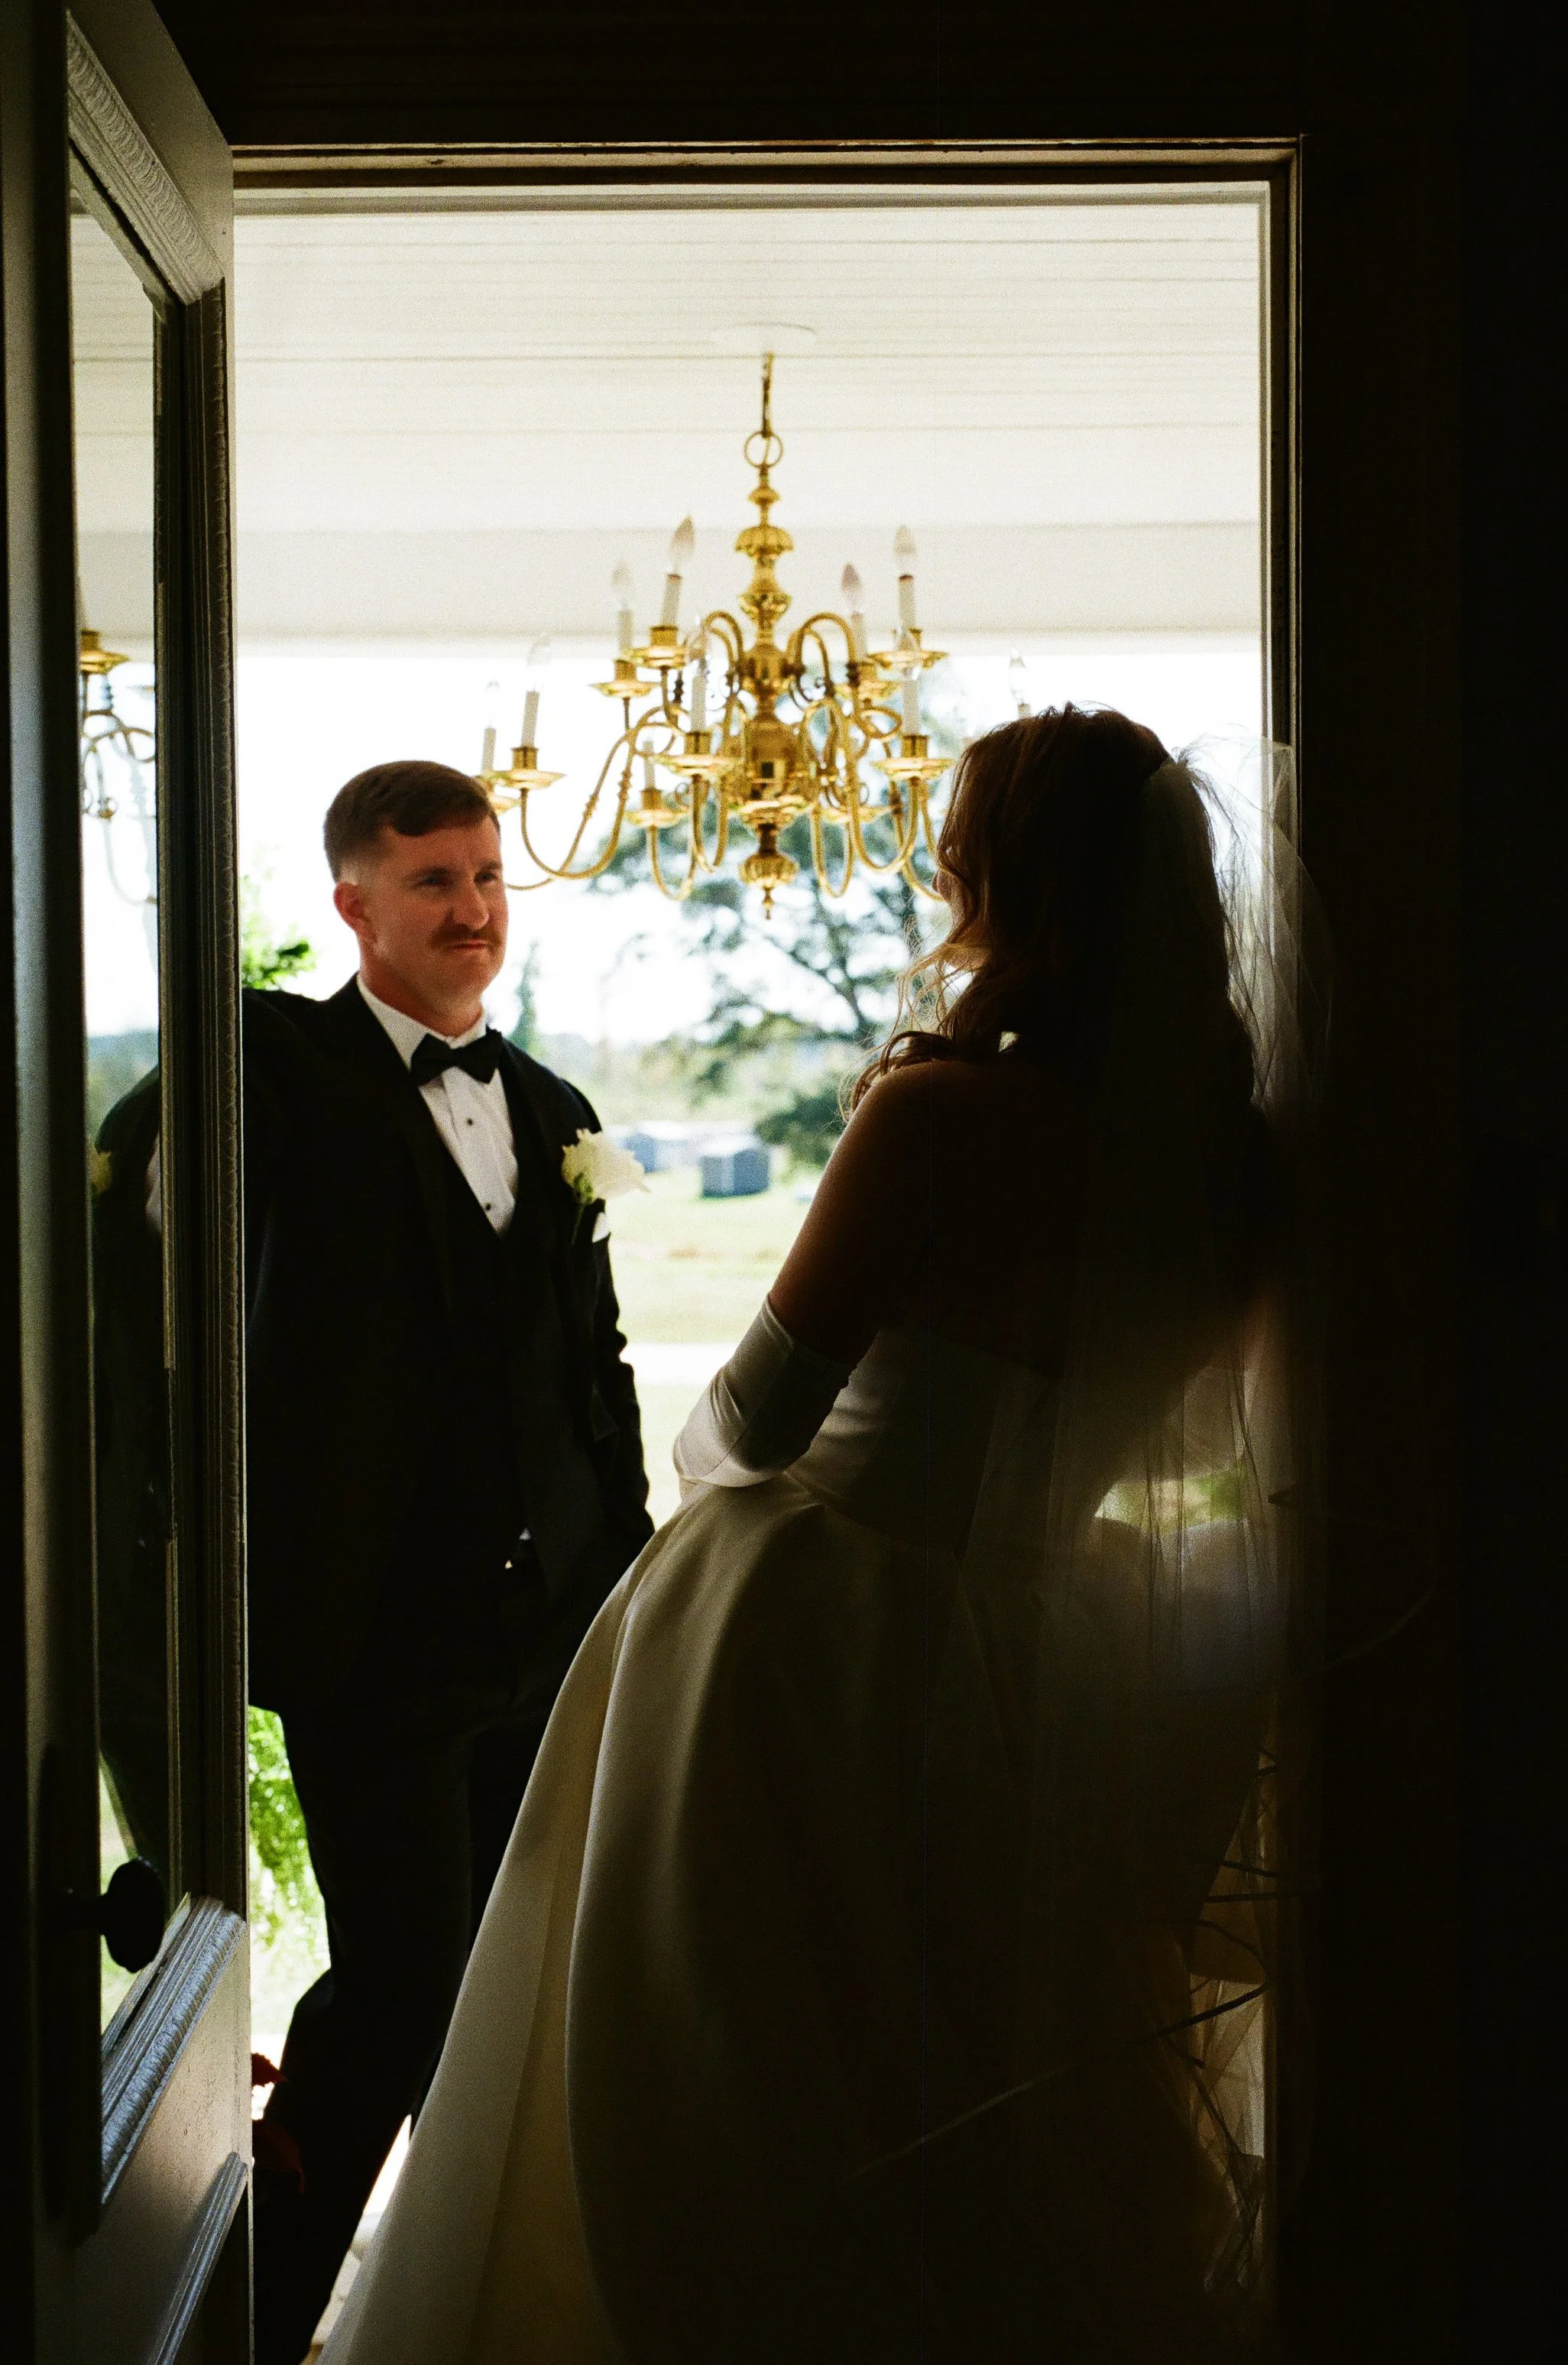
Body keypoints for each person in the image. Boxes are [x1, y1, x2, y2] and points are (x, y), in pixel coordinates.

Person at [322, 709, 1314, 2365]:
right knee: (991, 2066)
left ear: (997, 876)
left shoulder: (935, 1117)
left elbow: (749, 1428)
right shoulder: (1242, 1168)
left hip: (811, 1644)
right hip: (1049, 1652)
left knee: (746, 2079)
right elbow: (1239, 1448)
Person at [92, 758, 651, 2363]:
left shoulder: (556, 1113)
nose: (472, 910)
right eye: (432, 883)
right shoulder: (265, 1062)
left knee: (499, 1989)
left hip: (543, 1640)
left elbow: (592, 1380)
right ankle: (260, 2307)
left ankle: (445, 2285)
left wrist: (627, 1584)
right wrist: (166, 1515)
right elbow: (136, 1235)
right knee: (407, 1980)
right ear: (354, 902)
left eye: (485, 877)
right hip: (368, 1641)